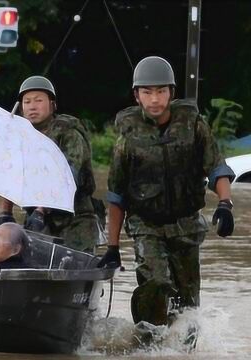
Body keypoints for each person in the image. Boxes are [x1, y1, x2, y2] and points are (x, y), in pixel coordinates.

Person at [99, 56, 235, 330]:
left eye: (161, 91)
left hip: (186, 224)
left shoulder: (193, 125)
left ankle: (182, 350)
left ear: (171, 93)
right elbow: (117, 196)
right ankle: (150, 341)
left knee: (188, 306)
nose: (154, 99)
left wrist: (225, 204)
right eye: (147, 92)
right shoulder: (127, 138)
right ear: (137, 96)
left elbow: (217, 168)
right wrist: (112, 247)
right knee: (156, 284)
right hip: (145, 225)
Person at [0, 76, 101, 254]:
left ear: (52, 105)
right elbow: (10, 174)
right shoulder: (19, 136)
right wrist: (5, 213)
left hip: (74, 219)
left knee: (71, 265)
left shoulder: (68, 133)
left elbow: (68, 175)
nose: (32, 106)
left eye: (38, 100)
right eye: (27, 101)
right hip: (39, 220)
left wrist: (41, 209)